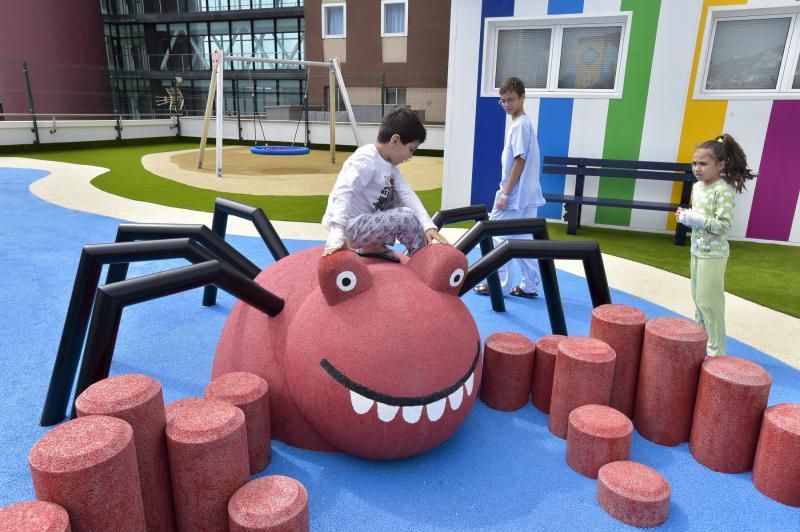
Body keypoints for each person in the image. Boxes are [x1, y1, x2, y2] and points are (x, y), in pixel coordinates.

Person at [322, 107, 448, 261]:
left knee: (395, 194)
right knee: (405, 216)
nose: (410, 156)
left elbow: (406, 193)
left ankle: (373, 246)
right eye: (411, 149)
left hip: (365, 222)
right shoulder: (366, 159)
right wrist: (337, 231)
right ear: (395, 140)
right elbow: (344, 191)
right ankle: (422, 259)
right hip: (349, 227)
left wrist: (428, 225)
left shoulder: (390, 166)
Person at [677, 133, 756, 356]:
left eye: (703, 163)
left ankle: (716, 352)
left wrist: (692, 218)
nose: (697, 168)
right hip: (697, 250)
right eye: (694, 163)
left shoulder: (722, 190)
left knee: (710, 303)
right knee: (698, 299)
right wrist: (687, 215)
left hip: (713, 255)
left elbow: (722, 225)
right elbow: (701, 217)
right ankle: (700, 342)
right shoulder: (698, 187)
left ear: (720, 165)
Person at [474, 76, 545, 298]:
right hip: (526, 194)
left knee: (492, 233)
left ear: (522, 97)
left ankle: (499, 284)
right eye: (503, 101)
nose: (506, 105)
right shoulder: (521, 123)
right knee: (522, 240)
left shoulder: (521, 126)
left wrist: (505, 194)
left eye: (511, 100)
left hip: (514, 194)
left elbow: (519, 160)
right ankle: (530, 286)